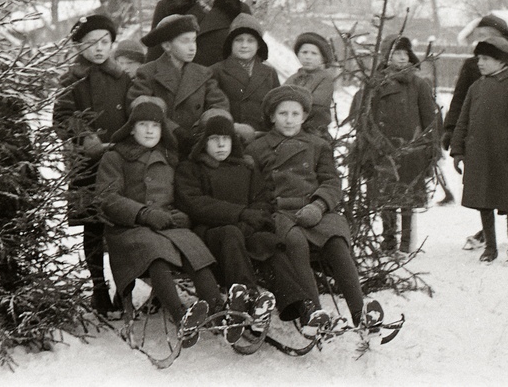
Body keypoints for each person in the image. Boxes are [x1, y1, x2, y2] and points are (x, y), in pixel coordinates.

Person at [246, 84, 383, 331]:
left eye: (295, 114)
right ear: (271, 117)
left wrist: (319, 206)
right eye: (283, 114)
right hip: (278, 213)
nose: (289, 120)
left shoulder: (317, 145)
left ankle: (359, 312)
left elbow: (331, 180)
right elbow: (253, 190)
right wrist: (267, 210)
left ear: (304, 117)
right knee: (295, 242)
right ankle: (312, 313)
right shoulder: (257, 148)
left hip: (315, 208)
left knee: (336, 241)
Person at [96, 96, 223, 347]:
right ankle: (180, 316)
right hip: (129, 227)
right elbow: (107, 197)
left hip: (165, 222)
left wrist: (182, 213)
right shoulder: (115, 157)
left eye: (155, 125)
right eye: (143, 125)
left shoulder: (170, 156)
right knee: (156, 253)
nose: (150, 130)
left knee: (196, 252)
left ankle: (219, 310)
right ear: (132, 128)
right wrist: (142, 213)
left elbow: (182, 193)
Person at [176, 111, 312, 342]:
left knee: (269, 244)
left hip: (244, 231)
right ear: (204, 142)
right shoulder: (191, 168)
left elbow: (262, 198)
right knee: (231, 233)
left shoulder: (245, 169)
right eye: (214, 139)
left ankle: (301, 307)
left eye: (226, 139)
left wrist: (253, 218)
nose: (221, 145)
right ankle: (247, 299)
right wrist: (240, 214)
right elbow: (196, 204)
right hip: (210, 234)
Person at [52, 14, 132, 315]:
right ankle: (99, 287)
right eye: (90, 43)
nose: (99, 48)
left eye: (105, 42)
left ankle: (125, 289)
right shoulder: (70, 80)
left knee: (121, 225)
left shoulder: (122, 78)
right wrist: (83, 135)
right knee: (93, 228)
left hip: (119, 161)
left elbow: (132, 114)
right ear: (79, 46)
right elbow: (60, 117)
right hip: (86, 164)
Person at [442, 13, 508, 251]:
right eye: (480, 36)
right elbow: (460, 100)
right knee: (483, 193)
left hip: (505, 143)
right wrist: (452, 132)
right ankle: (488, 239)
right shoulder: (472, 68)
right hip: (479, 143)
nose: (483, 40)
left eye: (489, 35)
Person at [349, 35, 438, 253]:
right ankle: (388, 239)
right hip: (381, 149)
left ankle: (406, 241)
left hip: (411, 149)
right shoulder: (374, 83)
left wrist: (431, 145)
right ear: (386, 57)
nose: (401, 58)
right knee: (385, 197)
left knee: (407, 197)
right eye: (396, 53)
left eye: (404, 54)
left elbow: (430, 117)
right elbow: (362, 115)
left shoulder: (419, 84)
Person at [129, 13, 230, 159]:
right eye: (185, 41)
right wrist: (174, 130)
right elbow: (137, 106)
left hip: (196, 147)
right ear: (167, 45)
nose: (192, 47)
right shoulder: (148, 72)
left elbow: (219, 106)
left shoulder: (203, 73)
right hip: (160, 147)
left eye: (194, 41)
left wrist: (201, 130)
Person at [209, 12, 280, 143]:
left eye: (250, 40)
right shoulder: (216, 71)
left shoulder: (269, 72)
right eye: (239, 40)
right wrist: (234, 128)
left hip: (264, 140)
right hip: (229, 140)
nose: (244, 45)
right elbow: (212, 110)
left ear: (259, 45)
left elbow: (277, 108)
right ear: (230, 43)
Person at [284, 32, 336, 142]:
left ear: (322, 59)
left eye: (314, 54)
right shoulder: (293, 78)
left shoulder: (325, 79)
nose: (308, 57)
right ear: (298, 55)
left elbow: (316, 104)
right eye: (304, 52)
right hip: (288, 126)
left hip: (313, 129)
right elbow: (280, 97)